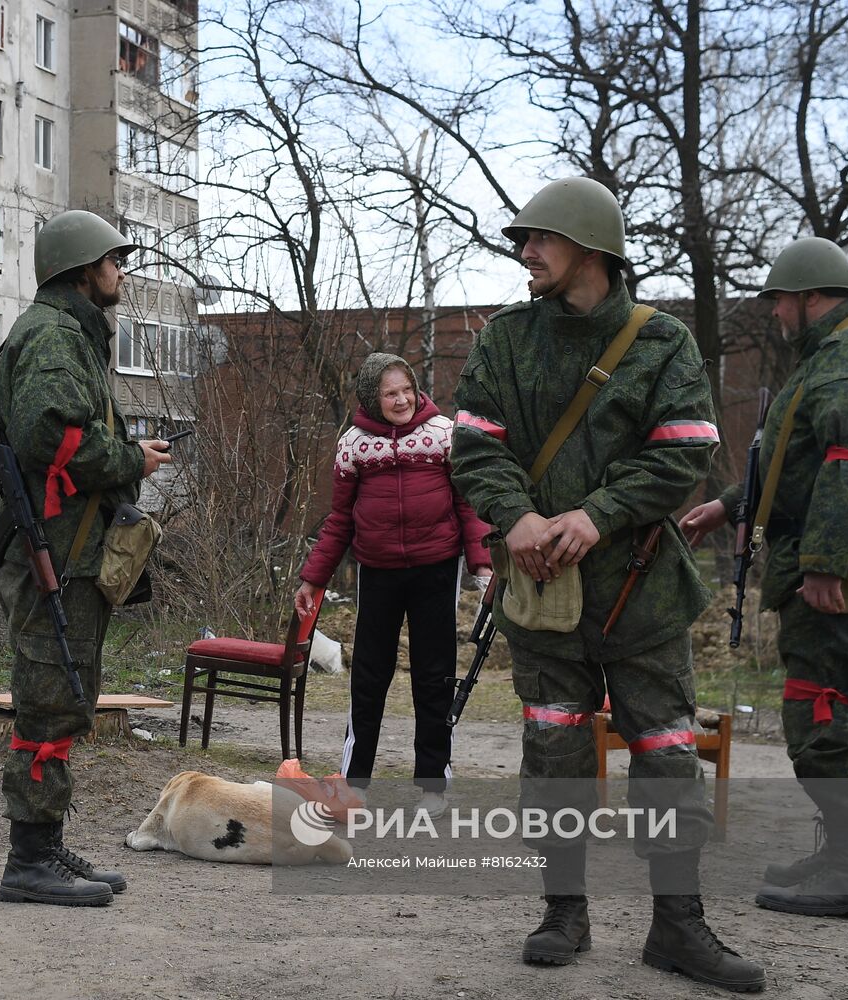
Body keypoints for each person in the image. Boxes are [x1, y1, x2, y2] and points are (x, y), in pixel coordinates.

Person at [450, 177, 763, 991]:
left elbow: (686, 450)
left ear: (591, 246)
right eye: (523, 241)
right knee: (554, 748)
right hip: (542, 589)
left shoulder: (662, 342)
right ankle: (564, 910)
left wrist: (598, 514)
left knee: (665, 752)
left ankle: (678, 924)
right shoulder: (506, 340)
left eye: (540, 239)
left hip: (640, 589)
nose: (526, 252)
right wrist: (517, 516)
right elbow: (475, 445)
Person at [681, 236, 848, 920]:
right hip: (829, 559)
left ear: (813, 296)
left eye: (781, 300)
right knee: (830, 703)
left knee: (826, 708)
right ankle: (842, 855)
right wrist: (729, 505)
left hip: (836, 572)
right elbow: (796, 461)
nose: (776, 313)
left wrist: (822, 563)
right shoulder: (834, 355)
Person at [0, 210, 174, 906]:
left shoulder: (69, 333)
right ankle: (28, 862)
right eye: (112, 261)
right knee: (48, 701)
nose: (120, 272)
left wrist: (128, 455)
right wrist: (130, 459)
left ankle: (45, 847)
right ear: (81, 268)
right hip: (58, 550)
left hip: (70, 547)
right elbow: (51, 438)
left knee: (63, 700)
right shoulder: (56, 336)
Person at [295, 352, 492, 818]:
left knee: (434, 677)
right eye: (390, 393)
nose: (401, 399)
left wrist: (482, 566)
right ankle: (355, 783)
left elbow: (467, 506)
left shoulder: (443, 434)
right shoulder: (353, 444)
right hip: (378, 571)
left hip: (436, 569)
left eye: (406, 389)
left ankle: (433, 786)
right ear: (372, 397)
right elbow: (340, 519)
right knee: (369, 676)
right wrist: (313, 578)